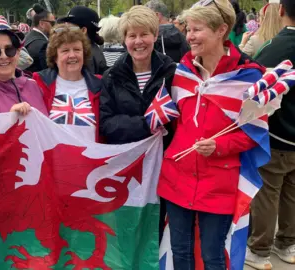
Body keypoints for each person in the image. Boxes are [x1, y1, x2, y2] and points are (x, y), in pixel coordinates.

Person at [157, 1, 266, 269]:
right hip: (177, 176)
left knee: (213, 255)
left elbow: (255, 135)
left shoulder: (248, 77)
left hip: (219, 180)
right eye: (188, 30)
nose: (190, 36)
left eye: (198, 29)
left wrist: (219, 145)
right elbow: (171, 122)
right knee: (179, 252)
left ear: (222, 30)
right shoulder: (181, 73)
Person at [245, 0, 295, 268]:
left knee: (267, 194)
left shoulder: (276, 46)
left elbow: (253, 80)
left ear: (281, 11)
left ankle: (259, 250)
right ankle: (287, 243)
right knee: (291, 194)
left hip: (278, 135)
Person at [100, 5, 176, 145]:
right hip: (127, 158)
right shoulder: (111, 76)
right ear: (124, 39)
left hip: (164, 157)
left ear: (155, 35)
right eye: (132, 36)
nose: (138, 41)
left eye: (144, 34)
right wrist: (145, 124)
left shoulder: (171, 73)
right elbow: (106, 124)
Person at [33, 24, 103, 141]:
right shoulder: (38, 83)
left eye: (77, 49)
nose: (72, 55)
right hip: (54, 157)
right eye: (65, 50)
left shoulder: (100, 84)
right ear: (55, 56)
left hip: (90, 157)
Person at [58, 6, 108, 74]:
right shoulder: (90, 50)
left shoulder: (85, 56)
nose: (65, 30)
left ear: (83, 30)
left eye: (69, 27)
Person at [24, 4, 55, 73]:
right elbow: (49, 73)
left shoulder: (28, 37)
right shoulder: (43, 45)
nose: (55, 26)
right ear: (42, 24)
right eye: (52, 23)